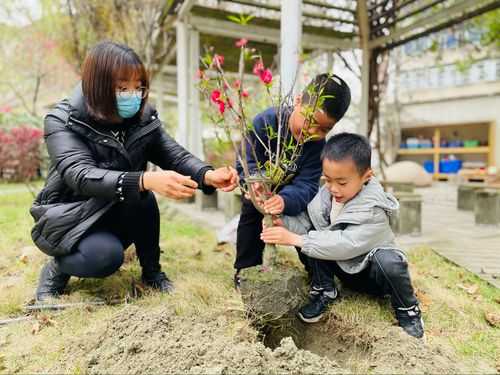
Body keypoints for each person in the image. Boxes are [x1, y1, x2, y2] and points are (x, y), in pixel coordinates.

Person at [31, 41, 238, 302]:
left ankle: (152, 273)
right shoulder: (63, 121)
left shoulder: (141, 118)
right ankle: (57, 268)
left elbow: (171, 153)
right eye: (122, 87)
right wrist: (144, 178)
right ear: (99, 85)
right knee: (105, 258)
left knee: (143, 198)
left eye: (139, 87)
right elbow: (79, 174)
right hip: (72, 216)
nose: (133, 95)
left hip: (116, 206)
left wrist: (207, 175)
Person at [260, 133, 424, 339]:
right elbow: (308, 223)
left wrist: (296, 239)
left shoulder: (374, 209)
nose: (333, 188)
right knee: (314, 235)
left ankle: (408, 310)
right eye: (328, 180)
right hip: (343, 269)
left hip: (370, 274)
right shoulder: (327, 195)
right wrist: (284, 224)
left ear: (366, 177)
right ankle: (325, 290)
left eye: (342, 182)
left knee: (389, 261)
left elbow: (347, 244)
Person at [234, 73, 351, 288]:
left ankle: (317, 272)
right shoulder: (265, 123)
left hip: (293, 198)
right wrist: (253, 182)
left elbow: (307, 184)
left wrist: (286, 200)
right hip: (261, 192)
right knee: (250, 218)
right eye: (311, 121)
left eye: (324, 129)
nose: (313, 132)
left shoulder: (318, 146)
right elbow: (246, 160)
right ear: (298, 101)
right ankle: (245, 268)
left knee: (308, 225)